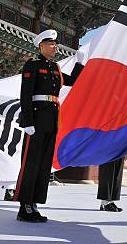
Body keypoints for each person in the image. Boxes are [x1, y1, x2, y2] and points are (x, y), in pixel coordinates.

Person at [14, 29, 84, 222]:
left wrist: (80, 63)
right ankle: (24, 206)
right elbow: (25, 94)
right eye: (51, 44)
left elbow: (73, 82)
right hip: (35, 119)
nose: (55, 47)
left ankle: (34, 204)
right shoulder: (32, 65)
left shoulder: (55, 68)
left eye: (55, 44)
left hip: (51, 120)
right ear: (41, 46)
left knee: (44, 164)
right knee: (31, 163)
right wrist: (27, 121)